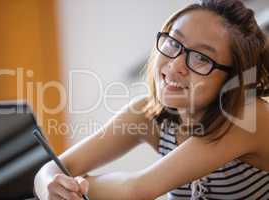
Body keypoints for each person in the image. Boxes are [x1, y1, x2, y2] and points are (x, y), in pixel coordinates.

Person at [34, 0, 269, 199]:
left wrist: (73, 187)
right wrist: (49, 187)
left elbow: (138, 189)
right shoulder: (149, 113)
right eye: (174, 43)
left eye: (201, 58)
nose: (175, 65)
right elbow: (52, 168)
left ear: (234, 77)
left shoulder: (246, 116)